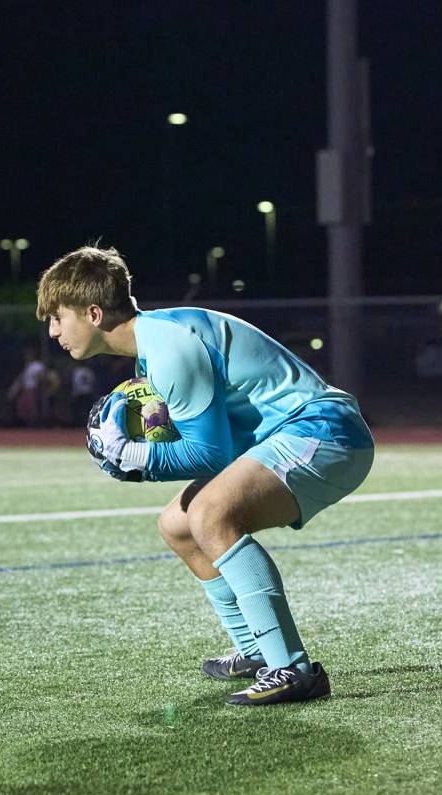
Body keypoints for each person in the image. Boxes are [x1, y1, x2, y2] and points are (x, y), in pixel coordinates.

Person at [36, 245, 374, 706]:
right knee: (177, 526)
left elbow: (211, 453)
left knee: (211, 516)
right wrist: (146, 444)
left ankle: (292, 668)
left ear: (93, 313)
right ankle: (256, 649)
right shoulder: (154, 348)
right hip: (293, 435)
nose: (53, 330)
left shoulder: (167, 347)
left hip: (326, 433)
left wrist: (134, 458)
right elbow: (213, 446)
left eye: (57, 317)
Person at [8, 347, 60, 427]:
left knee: (32, 408)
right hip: (25, 388)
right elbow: (22, 377)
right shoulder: (28, 366)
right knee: (22, 407)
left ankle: (34, 425)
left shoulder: (37, 365)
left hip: (33, 388)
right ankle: (26, 423)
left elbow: (41, 377)